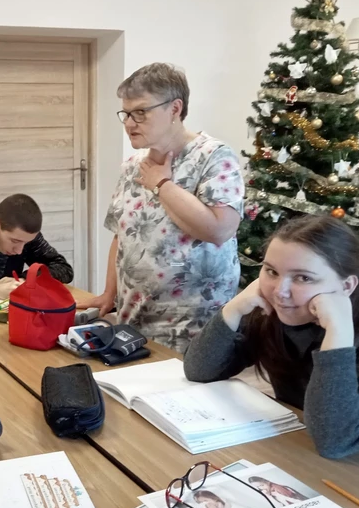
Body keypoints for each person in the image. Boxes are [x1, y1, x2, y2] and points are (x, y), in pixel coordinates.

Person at [184, 215, 359, 458]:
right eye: (271, 271)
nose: (280, 291)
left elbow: (337, 442)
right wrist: (233, 309)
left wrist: (338, 335)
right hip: (297, 447)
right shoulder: (276, 308)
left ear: (346, 286)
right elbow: (200, 370)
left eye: (304, 278)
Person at [79, 63, 243, 352]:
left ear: (175, 109)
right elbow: (121, 235)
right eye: (126, 114)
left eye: (141, 112)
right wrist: (109, 293)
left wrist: (162, 184)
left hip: (194, 324)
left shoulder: (214, 157)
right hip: (136, 317)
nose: (130, 123)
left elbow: (220, 229)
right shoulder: (132, 166)